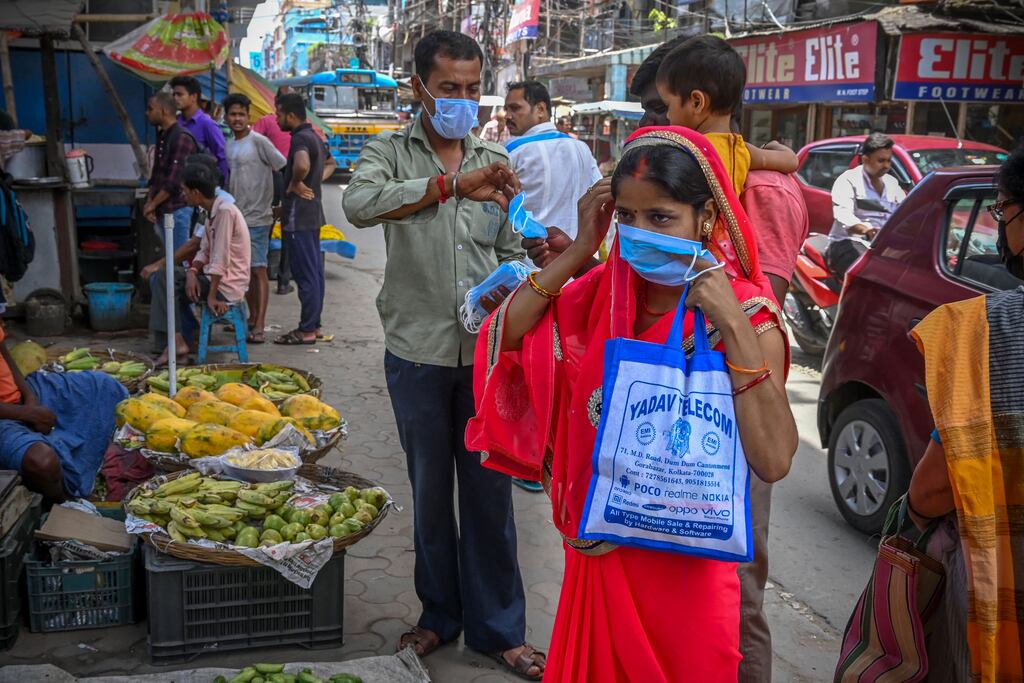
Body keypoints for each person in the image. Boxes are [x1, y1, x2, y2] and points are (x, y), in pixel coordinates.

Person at [466, 126, 797, 681]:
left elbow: (775, 458)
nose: (641, 233)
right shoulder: (605, 294)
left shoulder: (747, 316)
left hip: (688, 568)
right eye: (627, 217)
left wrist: (733, 325)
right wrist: (578, 248)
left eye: (661, 217)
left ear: (707, 219)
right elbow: (506, 333)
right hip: (604, 548)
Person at [342, 30, 545, 680]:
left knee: (490, 499)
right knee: (431, 494)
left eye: (471, 88)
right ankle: (439, 615)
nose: (461, 99)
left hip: (487, 362)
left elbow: (515, 246)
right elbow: (356, 204)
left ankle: (500, 629)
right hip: (417, 356)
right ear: (419, 89)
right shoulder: (389, 153)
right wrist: (449, 186)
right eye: (449, 88)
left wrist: (517, 269)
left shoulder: (497, 156)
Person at [907, 146, 1024, 681]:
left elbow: (933, 490)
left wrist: (908, 518)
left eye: (1001, 209)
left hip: (997, 596)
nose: (999, 226)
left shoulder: (981, 330)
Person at [0, 319, 127, 501]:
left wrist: (30, 397)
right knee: (42, 461)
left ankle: (90, 470)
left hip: (24, 394)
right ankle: (65, 501)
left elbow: (6, 358)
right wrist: (27, 413)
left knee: (104, 387)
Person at [656, 35, 799, 196]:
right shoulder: (739, 150)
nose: (667, 115)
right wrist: (772, 145)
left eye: (668, 105)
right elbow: (791, 160)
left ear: (697, 102)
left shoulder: (683, 151)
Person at [150, 162, 251, 364]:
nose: (183, 195)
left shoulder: (225, 212)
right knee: (165, 278)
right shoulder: (211, 211)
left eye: (185, 191)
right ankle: (175, 341)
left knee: (164, 278)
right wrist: (192, 272)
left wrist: (212, 295)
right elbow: (204, 250)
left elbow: (220, 258)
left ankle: (176, 343)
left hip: (226, 286)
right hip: (213, 277)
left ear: (196, 192)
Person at [223, 93, 287, 344]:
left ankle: (259, 323)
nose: (237, 119)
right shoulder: (228, 145)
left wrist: (278, 203)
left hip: (259, 216)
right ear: (226, 117)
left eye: (241, 114)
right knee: (243, 271)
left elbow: (281, 168)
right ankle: (250, 318)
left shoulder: (259, 142)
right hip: (236, 216)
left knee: (258, 268)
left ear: (249, 116)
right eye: (233, 114)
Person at [273, 93, 336, 345]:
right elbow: (330, 162)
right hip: (310, 214)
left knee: (305, 274)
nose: (276, 119)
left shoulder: (300, 138)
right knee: (314, 272)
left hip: (299, 217)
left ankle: (307, 329)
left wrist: (298, 182)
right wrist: (312, 180)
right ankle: (314, 325)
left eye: (278, 114)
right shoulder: (315, 137)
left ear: (290, 115)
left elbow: (300, 164)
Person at [504, 81, 601, 242]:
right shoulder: (581, 148)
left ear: (540, 109)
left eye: (515, 108)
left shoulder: (512, 152)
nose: (508, 116)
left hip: (530, 258)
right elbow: (599, 198)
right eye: (506, 109)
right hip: (578, 257)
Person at [827, 133, 906, 279]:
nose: (886, 166)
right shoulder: (848, 180)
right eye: (881, 161)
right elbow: (843, 215)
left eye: (889, 161)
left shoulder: (892, 184)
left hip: (884, 247)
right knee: (871, 276)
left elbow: (906, 213)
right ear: (865, 159)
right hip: (847, 243)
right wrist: (867, 230)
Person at [143, 91, 197, 272]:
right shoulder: (164, 136)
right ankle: (171, 300)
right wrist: (152, 202)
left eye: (151, 109)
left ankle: (186, 300)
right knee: (170, 261)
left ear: (164, 111)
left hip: (177, 209)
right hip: (164, 209)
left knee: (179, 261)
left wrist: (152, 204)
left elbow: (174, 181)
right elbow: (157, 175)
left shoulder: (181, 138)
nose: (147, 113)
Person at [253, 90, 297, 296]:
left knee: (266, 225)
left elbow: (252, 143)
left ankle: (260, 270)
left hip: (273, 177)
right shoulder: (301, 125)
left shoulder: (266, 122)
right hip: (290, 177)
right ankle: (283, 280)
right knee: (288, 227)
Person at [170, 75, 229, 183]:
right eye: (173, 94)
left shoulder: (207, 124)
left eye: (179, 94)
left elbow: (222, 157)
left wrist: (222, 186)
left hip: (200, 188)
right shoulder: (175, 123)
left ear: (193, 97)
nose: (175, 98)